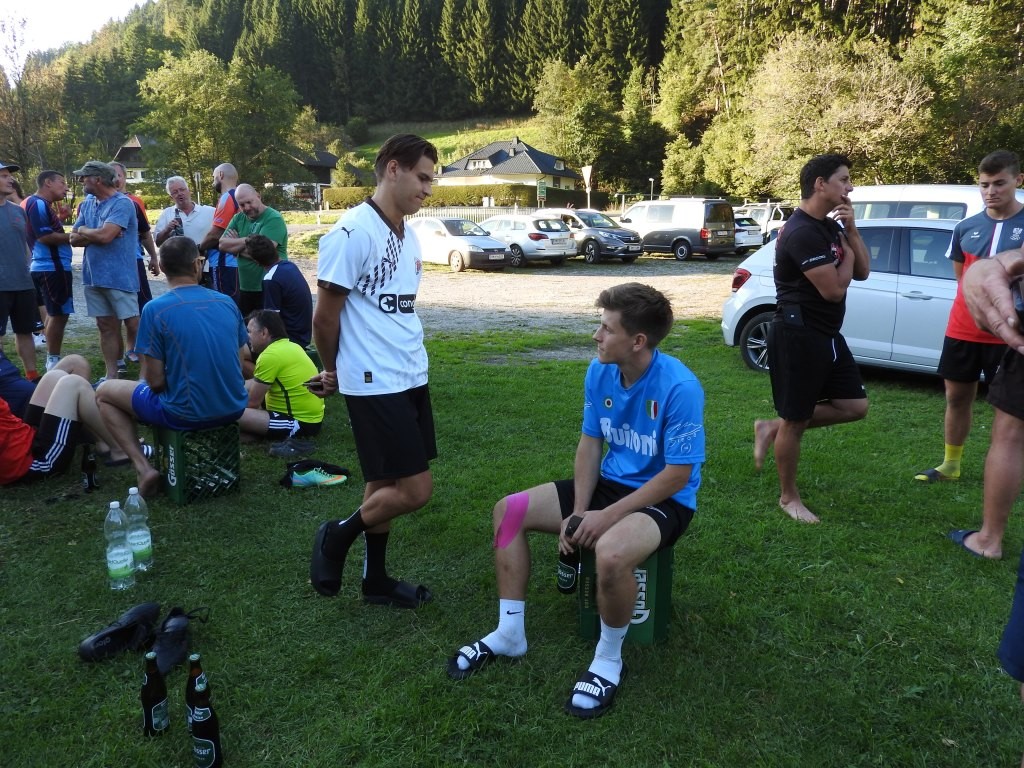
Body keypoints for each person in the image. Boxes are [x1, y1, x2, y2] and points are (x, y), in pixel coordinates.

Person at [446, 283, 705, 720]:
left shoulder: (680, 387)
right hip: (609, 486)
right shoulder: (599, 372)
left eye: (607, 329)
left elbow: (677, 474)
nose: (596, 336)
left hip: (666, 498)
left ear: (637, 341)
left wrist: (606, 518)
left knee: (611, 552)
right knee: (509, 511)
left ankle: (608, 659)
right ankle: (509, 632)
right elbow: (590, 444)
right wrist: (580, 512)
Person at [307, 134, 439, 608]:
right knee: (415, 489)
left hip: (409, 372)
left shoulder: (408, 233)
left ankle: (375, 580)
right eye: (422, 177)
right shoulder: (352, 232)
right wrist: (332, 369)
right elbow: (325, 319)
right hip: (373, 379)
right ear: (393, 169)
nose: (428, 189)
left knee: (382, 481)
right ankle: (337, 536)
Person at [752, 153, 871, 523]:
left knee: (854, 406)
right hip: (798, 334)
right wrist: (847, 255)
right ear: (821, 184)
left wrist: (851, 232)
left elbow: (863, 272)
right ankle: (788, 498)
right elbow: (833, 291)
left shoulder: (830, 226)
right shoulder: (801, 231)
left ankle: (772, 427)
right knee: (796, 419)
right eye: (844, 180)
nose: (850, 187)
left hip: (827, 333)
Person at [96, 236, 248, 497]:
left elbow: (154, 382)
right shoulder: (226, 302)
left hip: (185, 412)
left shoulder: (155, 310)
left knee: (103, 393)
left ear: (163, 268)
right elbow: (241, 358)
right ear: (197, 264)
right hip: (234, 406)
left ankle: (143, 467)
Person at [914, 150, 1023, 484]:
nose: (991, 191)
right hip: (963, 330)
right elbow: (964, 280)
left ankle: (1003, 467)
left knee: (1009, 409)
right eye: (984, 184)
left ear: (1018, 181)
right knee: (957, 397)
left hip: (1009, 333)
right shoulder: (965, 226)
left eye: (999, 183)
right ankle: (951, 464)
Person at [0, 363, 135, 486]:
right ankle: (120, 449)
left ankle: (103, 442)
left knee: (55, 376)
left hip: (27, 439)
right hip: (33, 463)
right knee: (74, 384)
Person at [69, 160, 139, 384]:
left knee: (134, 325)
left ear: (97, 179)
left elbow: (105, 236)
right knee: (105, 326)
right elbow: (73, 238)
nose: (81, 180)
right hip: (93, 276)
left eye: (84, 177)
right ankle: (111, 375)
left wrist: (87, 230)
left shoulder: (123, 203)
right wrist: (95, 233)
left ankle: (147, 376)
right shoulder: (88, 203)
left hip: (120, 277)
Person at [238, 309, 324, 452]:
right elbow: (254, 383)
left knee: (233, 414)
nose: (247, 337)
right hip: (310, 420)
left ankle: (251, 433)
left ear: (264, 333)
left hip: (299, 423)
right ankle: (254, 434)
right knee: (234, 412)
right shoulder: (290, 346)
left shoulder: (270, 355)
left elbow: (252, 403)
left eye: (249, 332)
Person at [24, 171, 74, 372]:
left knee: (57, 313)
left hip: (50, 267)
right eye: (62, 183)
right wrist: (76, 235)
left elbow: (43, 230)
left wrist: (61, 219)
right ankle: (52, 362)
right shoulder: (38, 203)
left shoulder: (42, 205)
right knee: (58, 314)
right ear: (48, 183)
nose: (66, 187)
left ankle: (52, 359)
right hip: (52, 267)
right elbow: (44, 237)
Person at [218, 184, 288, 317]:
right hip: (246, 287)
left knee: (269, 328)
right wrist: (248, 240)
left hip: (270, 286)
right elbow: (222, 244)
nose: (247, 207)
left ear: (258, 196)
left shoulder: (273, 218)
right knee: (248, 327)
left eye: (249, 202)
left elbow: (264, 253)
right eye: (242, 205)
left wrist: (235, 249)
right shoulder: (238, 218)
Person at [0, 161, 40, 381]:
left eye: (9, 175)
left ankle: (32, 376)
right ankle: (3, 381)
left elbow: (24, 245)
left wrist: (27, 267)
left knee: (25, 330)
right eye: (4, 176)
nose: (11, 179)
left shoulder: (18, 211)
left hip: (23, 283)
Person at [245, 233, 312, 347]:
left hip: (291, 339)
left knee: (242, 346)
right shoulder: (290, 266)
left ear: (256, 261)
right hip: (304, 334)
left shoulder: (271, 279)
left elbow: (271, 321)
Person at [199, 163, 240, 300]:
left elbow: (215, 234)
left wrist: (200, 247)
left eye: (213, 177)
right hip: (239, 262)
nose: (212, 182)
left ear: (221, 175)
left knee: (224, 303)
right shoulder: (242, 197)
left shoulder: (227, 198)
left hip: (224, 263)